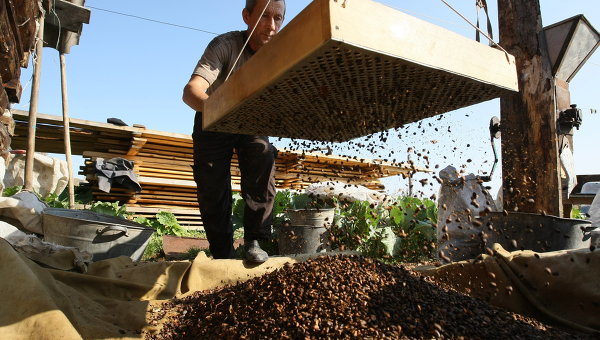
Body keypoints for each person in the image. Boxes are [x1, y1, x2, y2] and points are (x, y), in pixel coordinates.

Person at [182, 0, 286, 263]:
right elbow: (191, 91)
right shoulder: (225, 45)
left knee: (263, 152)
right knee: (212, 186)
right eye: (264, 16)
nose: (271, 26)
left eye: (278, 18)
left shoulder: (282, 51)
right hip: (213, 119)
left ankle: (254, 241)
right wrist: (221, 111)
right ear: (246, 16)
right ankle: (222, 252)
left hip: (251, 121)